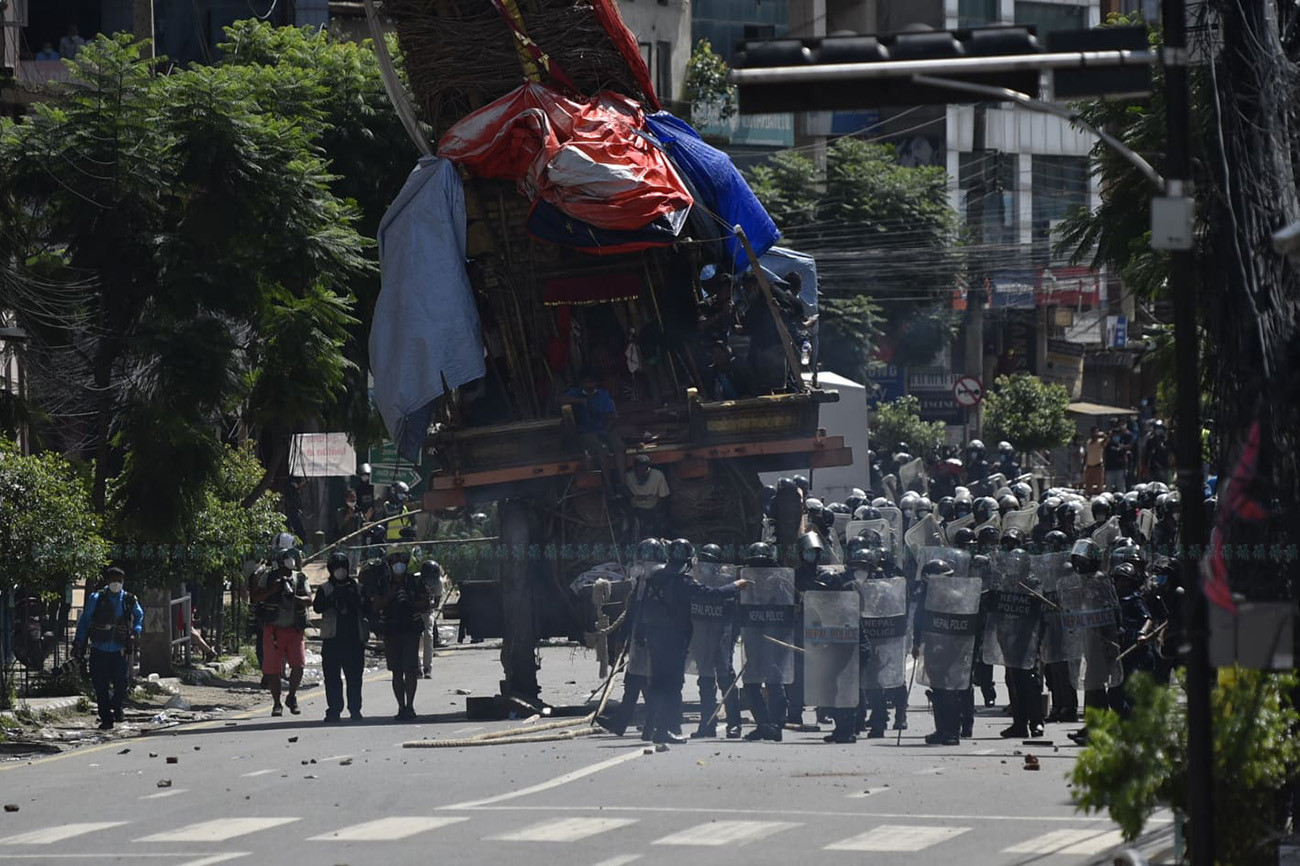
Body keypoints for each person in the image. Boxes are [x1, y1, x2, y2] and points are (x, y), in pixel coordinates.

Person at [637, 539, 750, 745]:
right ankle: (673, 728)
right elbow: (711, 595)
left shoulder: (655, 578)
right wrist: (735, 586)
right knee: (678, 684)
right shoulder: (685, 581)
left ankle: (658, 727)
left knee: (661, 683)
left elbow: (642, 607)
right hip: (677, 639)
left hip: (659, 637)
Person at [73, 568, 144, 731]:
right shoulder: (97, 598)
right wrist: (78, 642)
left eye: (119, 580)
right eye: (113, 579)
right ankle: (106, 718)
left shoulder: (128, 599)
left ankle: (116, 707)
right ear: (107, 580)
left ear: (123, 582)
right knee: (100, 686)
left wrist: (135, 633)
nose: (116, 583)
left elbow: (139, 616)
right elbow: (85, 621)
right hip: (98, 649)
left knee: (121, 684)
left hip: (119, 651)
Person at [251, 546, 311, 716]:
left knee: (298, 666)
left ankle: (291, 696)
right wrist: (273, 590)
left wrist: (295, 598)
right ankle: (277, 703)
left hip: (295, 629)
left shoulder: (299, 578)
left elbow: (309, 600)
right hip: (273, 629)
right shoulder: (268, 577)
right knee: (272, 670)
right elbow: (256, 597)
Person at [372, 550, 430, 719]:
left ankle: (410, 706)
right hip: (391, 631)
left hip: (411, 630)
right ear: (390, 567)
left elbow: (425, 604)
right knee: (396, 671)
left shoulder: (414, 581)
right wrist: (389, 597)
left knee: (410, 670)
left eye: (402, 563)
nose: (399, 566)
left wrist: (410, 602)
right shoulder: (383, 583)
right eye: (395, 564)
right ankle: (401, 706)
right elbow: (375, 606)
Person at [313, 552, 367, 722]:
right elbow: (317, 608)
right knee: (332, 678)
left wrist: (354, 599)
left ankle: (355, 710)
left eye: (343, 567)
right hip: (332, 640)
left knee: (354, 679)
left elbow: (368, 608)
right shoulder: (325, 589)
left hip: (354, 640)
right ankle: (334, 710)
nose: (340, 571)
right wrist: (333, 598)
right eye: (337, 568)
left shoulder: (358, 588)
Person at [561, 371, 628, 497]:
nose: (589, 385)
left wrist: (606, 431)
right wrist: (579, 401)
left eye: (592, 382)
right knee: (601, 450)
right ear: (581, 383)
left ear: (596, 382)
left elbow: (611, 417)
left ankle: (623, 484)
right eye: (586, 382)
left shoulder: (603, 395)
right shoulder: (576, 393)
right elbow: (561, 399)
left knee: (619, 447)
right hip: (586, 432)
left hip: (604, 429)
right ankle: (609, 487)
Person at [625, 454, 671, 537]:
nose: (641, 474)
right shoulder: (628, 477)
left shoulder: (658, 475)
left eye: (644, 471)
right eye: (638, 471)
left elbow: (663, 497)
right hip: (636, 510)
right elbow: (625, 499)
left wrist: (655, 513)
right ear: (634, 469)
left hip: (653, 509)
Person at [417, 560, 445, 678]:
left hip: (428, 611)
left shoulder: (438, 582)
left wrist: (426, 605)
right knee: (416, 638)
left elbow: (437, 603)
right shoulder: (416, 581)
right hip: (415, 611)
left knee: (428, 636)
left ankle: (427, 667)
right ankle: (417, 667)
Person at [1103, 421, 1132, 492]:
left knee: (1121, 488)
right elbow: (1103, 450)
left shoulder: (1122, 445)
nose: (1116, 436)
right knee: (1109, 488)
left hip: (1120, 469)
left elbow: (1125, 457)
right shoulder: (1108, 445)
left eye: (1117, 434)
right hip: (1110, 469)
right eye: (1114, 434)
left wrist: (1126, 468)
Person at [1084, 427, 1107, 495]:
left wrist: (1103, 434)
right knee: (1088, 484)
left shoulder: (1100, 441)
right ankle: (1088, 496)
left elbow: (1107, 439)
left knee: (1099, 484)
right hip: (1089, 466)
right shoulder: (1088, 442)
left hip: (1098, 465)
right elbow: (1087, 453)